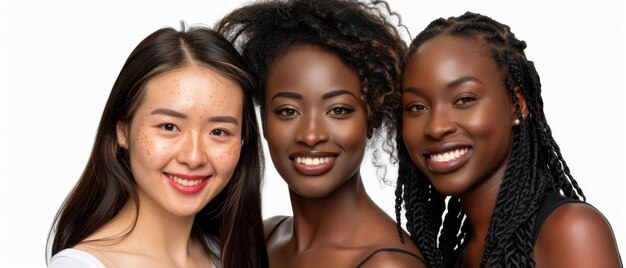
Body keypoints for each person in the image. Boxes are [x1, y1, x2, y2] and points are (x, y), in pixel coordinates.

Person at [394, 12, 622, 267]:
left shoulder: (570, 231)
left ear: (518, 105)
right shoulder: (457, 256)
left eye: (464, 99)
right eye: (416, 107)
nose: (436, 127)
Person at [216, 0, 425, 267]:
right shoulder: (263, 239)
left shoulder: (387, 264)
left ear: (371, 117)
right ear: (265, 121)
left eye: (338, 110)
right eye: (288, 111)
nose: (311, 135)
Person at [47, 24, 268, 268]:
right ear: (122, 131)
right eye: (169, 127)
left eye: (219, 132)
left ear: (242, 142)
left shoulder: (232, 255)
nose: (194, 157)